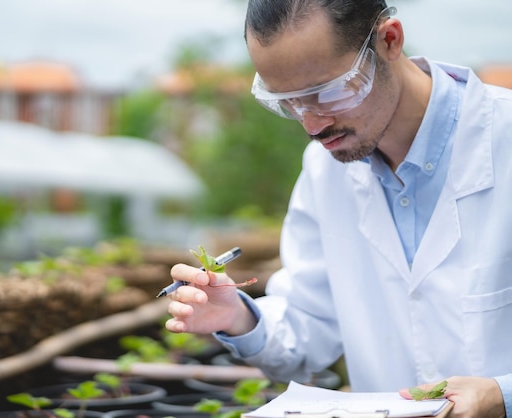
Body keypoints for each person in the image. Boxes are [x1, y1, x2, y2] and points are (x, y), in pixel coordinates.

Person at [164, 1, 512, 417]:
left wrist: (501, 396)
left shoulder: (502, 141)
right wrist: (237, 316)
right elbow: (308, 329)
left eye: (327, 93)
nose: (312, 126)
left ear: (389, 40)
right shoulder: (325, 170)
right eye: (287, 103)